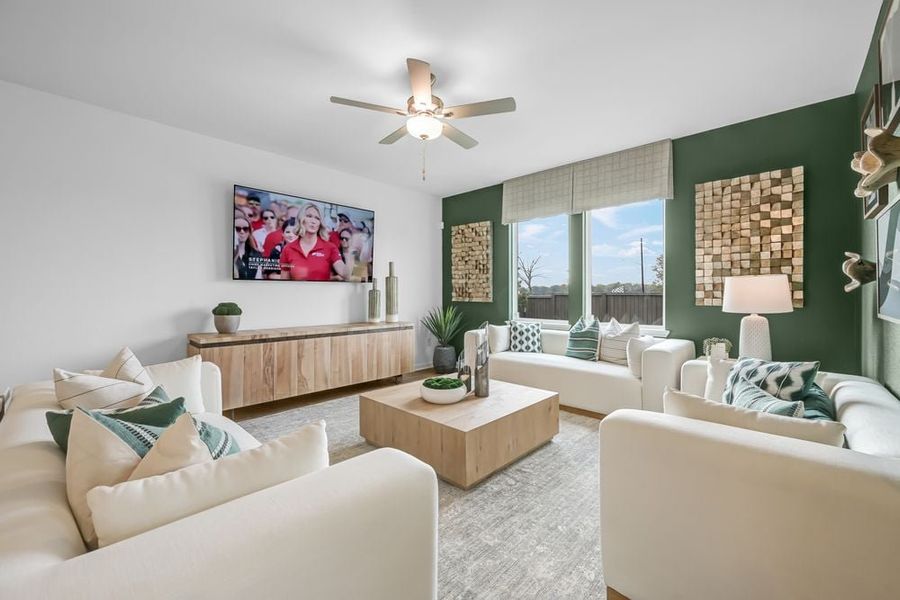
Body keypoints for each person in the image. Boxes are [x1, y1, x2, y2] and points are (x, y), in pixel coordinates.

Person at [280, 203, 350, 281]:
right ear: (301, 219)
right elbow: (284, 282)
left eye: (317, 218)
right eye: (309, 216)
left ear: (320, 223)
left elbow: (345, 274)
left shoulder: (330, 248)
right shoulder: (288, 249)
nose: (313, 221)